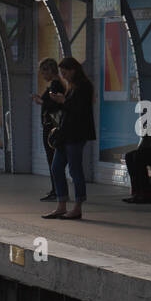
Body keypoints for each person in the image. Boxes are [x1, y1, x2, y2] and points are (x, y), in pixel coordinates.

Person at [41, 57, 96, 220]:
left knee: (75, 170)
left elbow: (80, 110)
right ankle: (61, 204)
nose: (63, 76)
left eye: (65, 72)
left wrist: (63, 100)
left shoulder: (84, 86)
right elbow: (69, 108)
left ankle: (78, 207)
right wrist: (62, 101)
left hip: (76, 134)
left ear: (73, 70)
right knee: (56, 167)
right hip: (66, 134)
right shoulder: (72, 87)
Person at [31, 57, 65, 201]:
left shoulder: (56, 85)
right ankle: (56, 189)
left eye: (43, 73)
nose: (43, 76)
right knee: (53, 160)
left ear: (50, 71)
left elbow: (54, 105)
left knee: (53, 160)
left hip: (52, 128)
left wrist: (41, 101)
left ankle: (57, 191)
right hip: (52, 126)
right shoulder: (56, 85)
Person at [123, 134, 151, 204]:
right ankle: (137, 193)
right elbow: (146, 141)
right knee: (129, 156)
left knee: (138, 156)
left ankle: (146, 194)